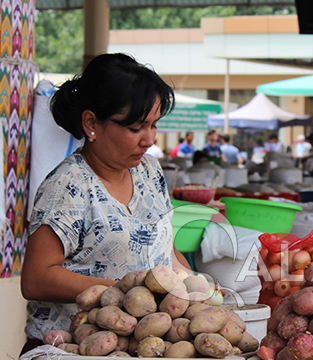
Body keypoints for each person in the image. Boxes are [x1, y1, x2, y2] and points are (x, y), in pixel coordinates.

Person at [19, 53, 192, 353]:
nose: (149, 139)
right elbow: (36, 278)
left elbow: (166, 250)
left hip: (139, 346)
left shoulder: (150, 172)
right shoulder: (68, 185)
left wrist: (192, 290)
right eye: (137, 127)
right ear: (91, 124)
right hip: (71, 347)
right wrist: (126, 293)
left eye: (154, 125)